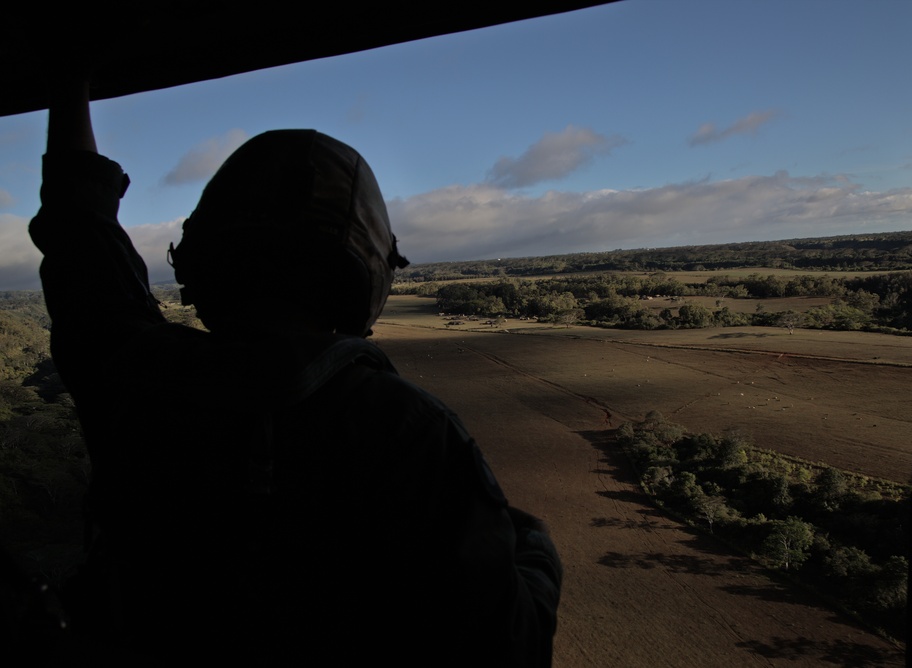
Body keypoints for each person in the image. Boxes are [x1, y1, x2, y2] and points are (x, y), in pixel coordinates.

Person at [29, 77, 562, 665]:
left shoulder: (136, 376)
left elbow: (82, 235)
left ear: (202, 260)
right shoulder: (406, 428)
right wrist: (531, 546)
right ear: (367, 275)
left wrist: (67, 81)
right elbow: (508, 646)